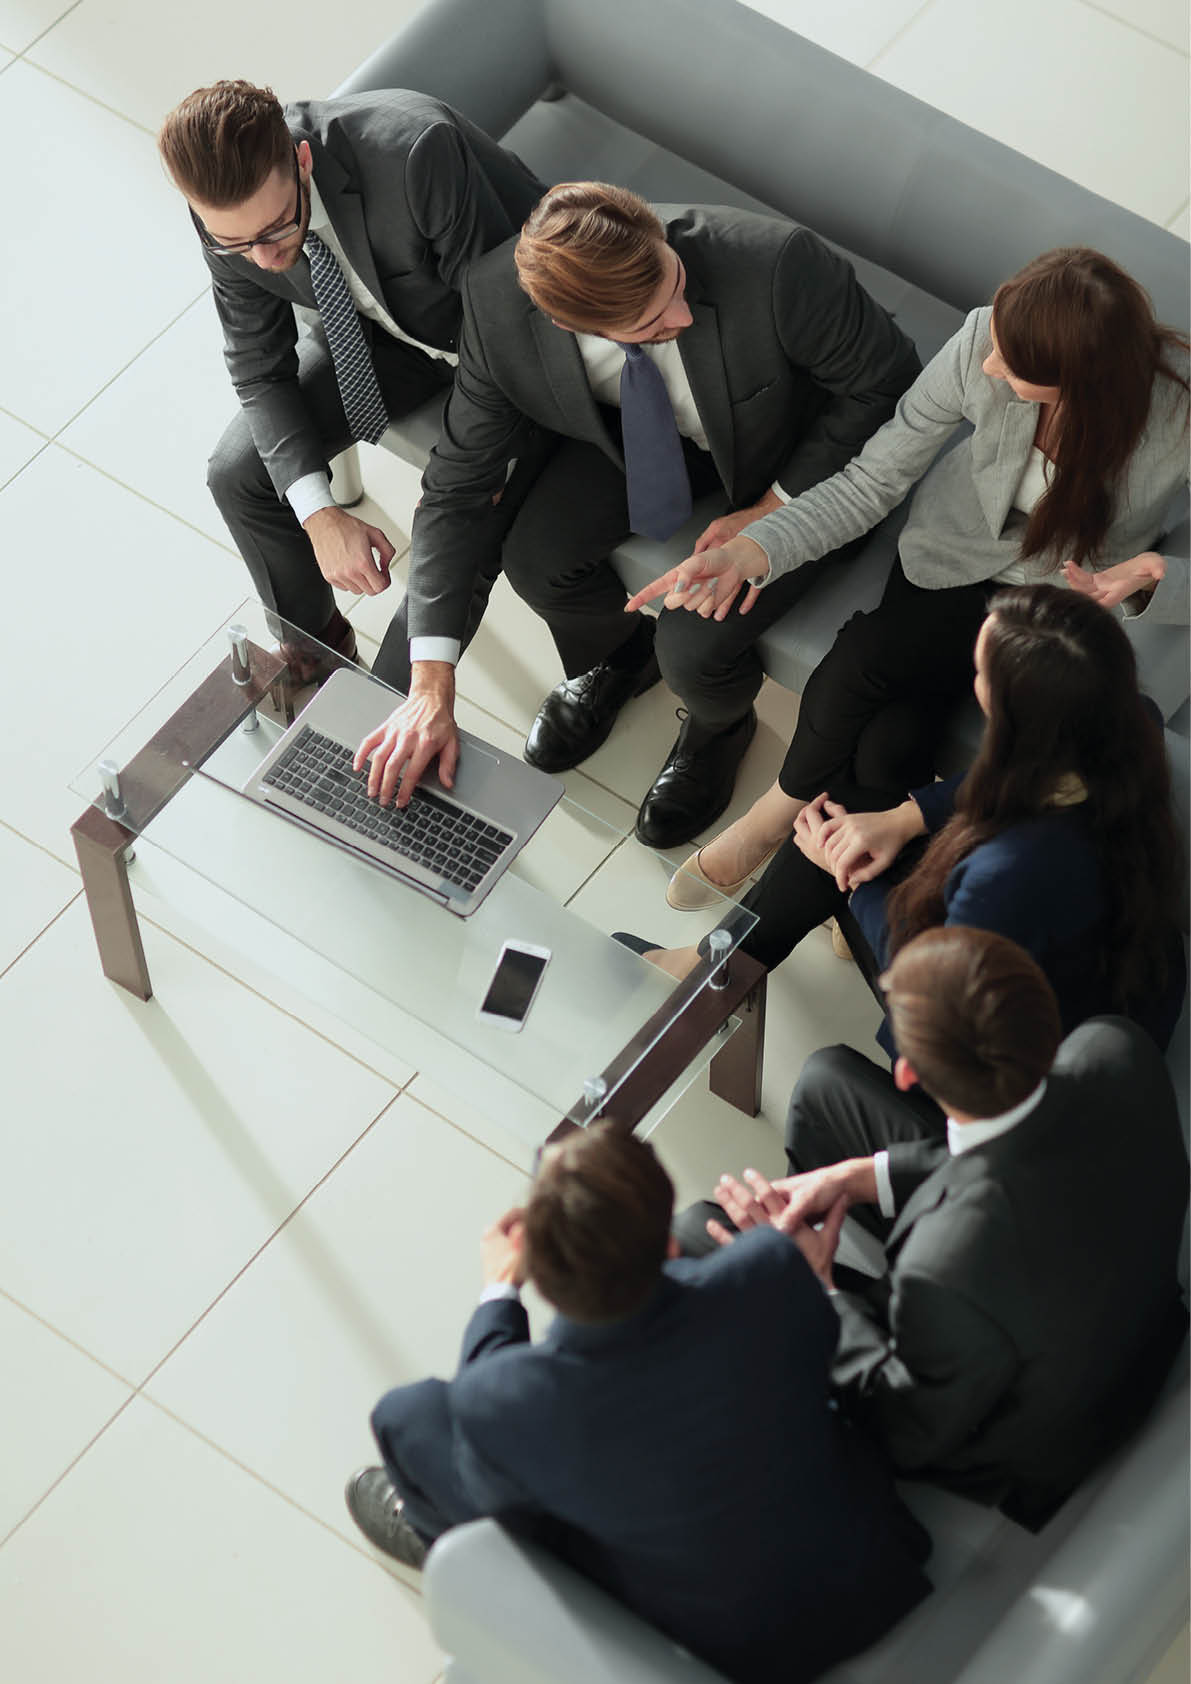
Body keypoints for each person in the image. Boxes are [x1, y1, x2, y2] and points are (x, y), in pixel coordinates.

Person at [355, 181, 921, 847]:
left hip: (795, 461)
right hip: (643, 434)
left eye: (675, 284)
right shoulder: (494, 303)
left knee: (693, 641)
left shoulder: (776, 265)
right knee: (536, 564)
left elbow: (886, 382)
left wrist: (773, 508)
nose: (680, 315)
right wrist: (429, 686)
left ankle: (719, 728)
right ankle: (620, 660)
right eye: (651, 324)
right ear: (569, 324)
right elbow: (458, 486)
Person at [623, 246, 1189, 903]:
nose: (986, 362)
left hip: (1056, 599)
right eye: (997, 343)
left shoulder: (1176, 414)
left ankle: (787, 836)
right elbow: (873, 479)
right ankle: (814, 844)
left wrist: (1153, 573)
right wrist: (754, 550)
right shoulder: (984, 331)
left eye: (1010, 363)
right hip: (948, 552)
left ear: (1078, 379)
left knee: (884, 715)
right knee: (889, 733)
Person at [347, 1121, 931, 1684]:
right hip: (879, 1567)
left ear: (542, 1281)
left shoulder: (507, 1402)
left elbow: (491, 1450)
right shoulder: (772, 1268)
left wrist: (498, 1290)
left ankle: (434, 1535)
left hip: (749, 1657)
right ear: (671, 1242)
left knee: (407, 1417)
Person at [678, 927, 1190, 1531]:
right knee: (825, 1082)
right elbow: (1027, 1143)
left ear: (908, 1073)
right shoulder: (1114, 1046)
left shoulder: (943, 1267)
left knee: (698, 1232)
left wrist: (814, 1284)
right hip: (1115, 1290)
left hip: (1019, 1437)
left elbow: (905, 1430)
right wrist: (855, 1178)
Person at [621, 585, 1186, 1054]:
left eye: (982, 671)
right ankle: (713, 973)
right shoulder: (1126, 722)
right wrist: (908, 817)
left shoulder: (1007, 879)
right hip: (1123, 977)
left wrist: (847, 870)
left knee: (835, 832)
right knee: (874, 774)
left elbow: (926, 983)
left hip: (1007, 1047)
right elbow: (1018, 784)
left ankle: (708, 981)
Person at [157, 80, 545, 676]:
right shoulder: (224, 224)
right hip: (387, 336)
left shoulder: (416, 151)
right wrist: (319, 513)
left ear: (302, 160)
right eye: (234, 242)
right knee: (236, 474)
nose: (260, 257)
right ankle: (318, 660)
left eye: (276, 229)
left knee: (445, 541)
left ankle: (380, 706)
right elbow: (258, 367)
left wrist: (455, 476)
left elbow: (501, 334)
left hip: (519, 345)